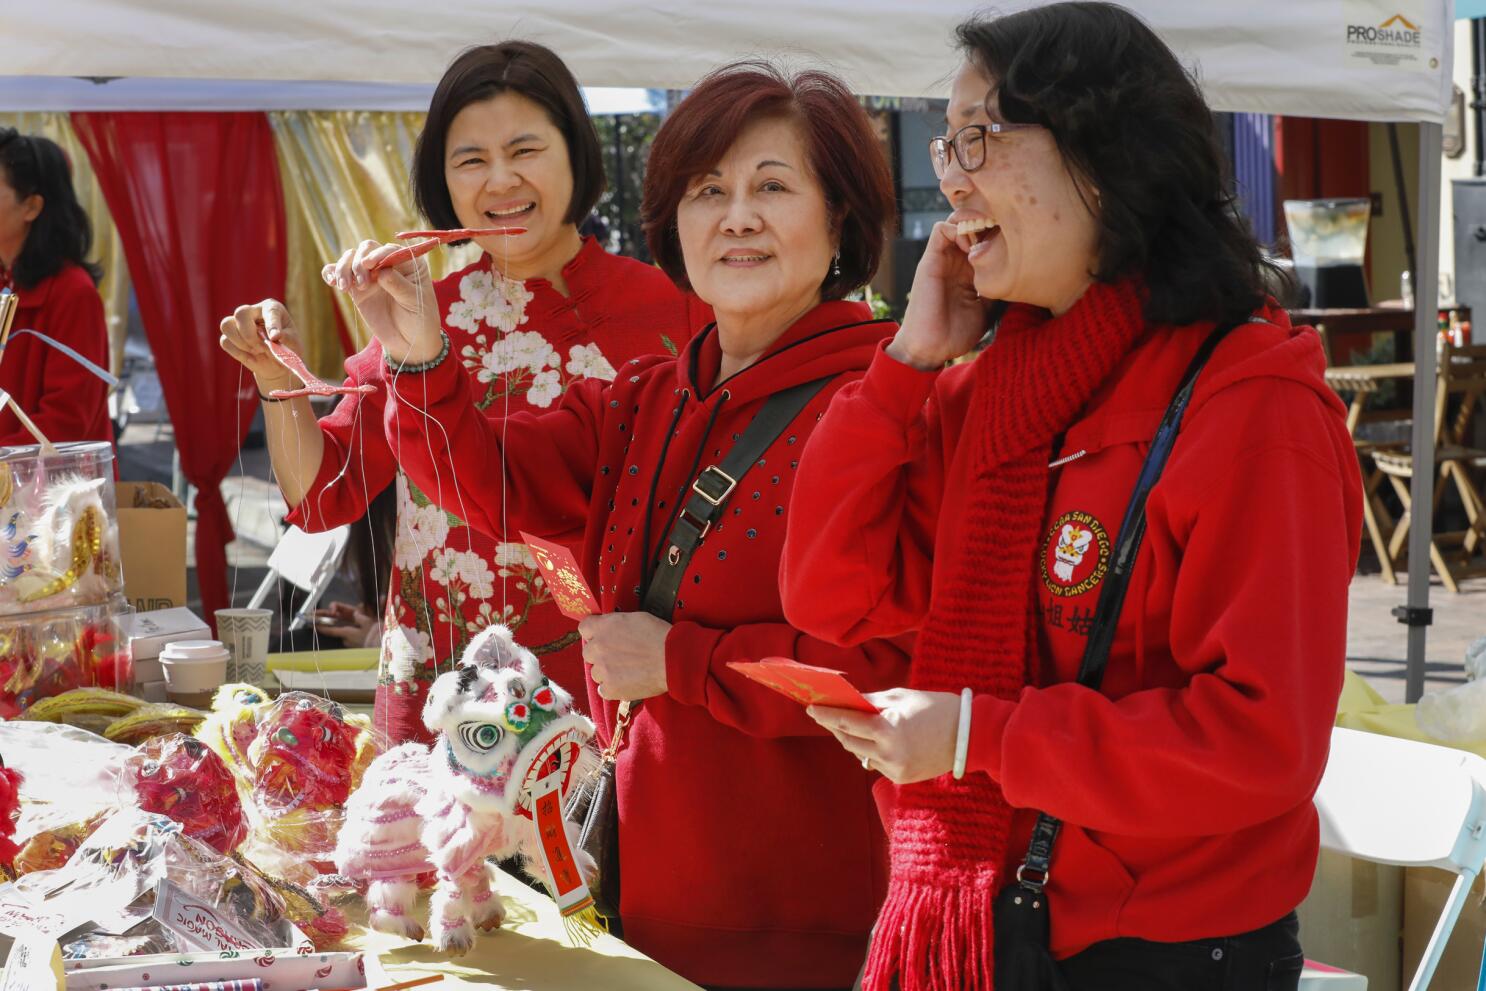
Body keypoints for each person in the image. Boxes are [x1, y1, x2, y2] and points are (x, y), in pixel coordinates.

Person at [781, 4, 1362, 990]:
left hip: (1169, 953)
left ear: (1103, 156)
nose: (950, 174)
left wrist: (978, 736)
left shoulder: (1249, 402)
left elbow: (1258, 743)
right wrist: (905, 364)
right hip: (989, 928)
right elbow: (831, 594)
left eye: (980, 135)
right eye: (946, 139)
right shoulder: (987, 389)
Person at [335, 62, 911, 990]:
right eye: (707, 190)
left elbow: (893, 674)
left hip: (799, 917)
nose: (736, 216)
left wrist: (683, 661)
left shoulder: (880, 405)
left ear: (839, 217)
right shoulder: (653, 396)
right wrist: (417, 355)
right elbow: (488, 483)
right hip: (636, 892)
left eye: (773, 187)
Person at [219, 41, 704, 742]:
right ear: (443, 182)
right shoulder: (417, 312)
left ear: (577, 153)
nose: (500, 181)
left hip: (607, 695)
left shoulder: (671, 312)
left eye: (525, 150)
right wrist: (275, 382)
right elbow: (326, 495)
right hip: (435, 697)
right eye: (471, 160)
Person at [0, 129, 111, 448]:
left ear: (32, 207)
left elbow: (66, 421)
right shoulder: (7, 280)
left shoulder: (73, 292)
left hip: (51, 492)